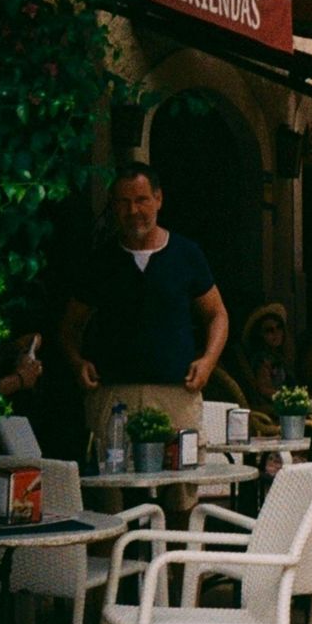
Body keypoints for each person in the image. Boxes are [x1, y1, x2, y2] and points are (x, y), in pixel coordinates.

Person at [61, 164, 227, 508]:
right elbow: (69, 326)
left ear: (158, 198)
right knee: (108, 496)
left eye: (141, 200)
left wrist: (208, 361)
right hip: (113, 394)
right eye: (122, 202)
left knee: (180, 493)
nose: (132, 210)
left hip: (176, 391)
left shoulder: (186, 254)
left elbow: (217, 315)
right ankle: (115, 562)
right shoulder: (101, 260)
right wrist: (77, 361)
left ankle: (178, 562)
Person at [233, 303, 293, 414]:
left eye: (279, 327)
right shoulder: (262, 360)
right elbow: (264, 389)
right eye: (269, 330)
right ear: (260, 335)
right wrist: (292, 398)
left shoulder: (279, 357)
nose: (276, 333)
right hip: (273, 412)